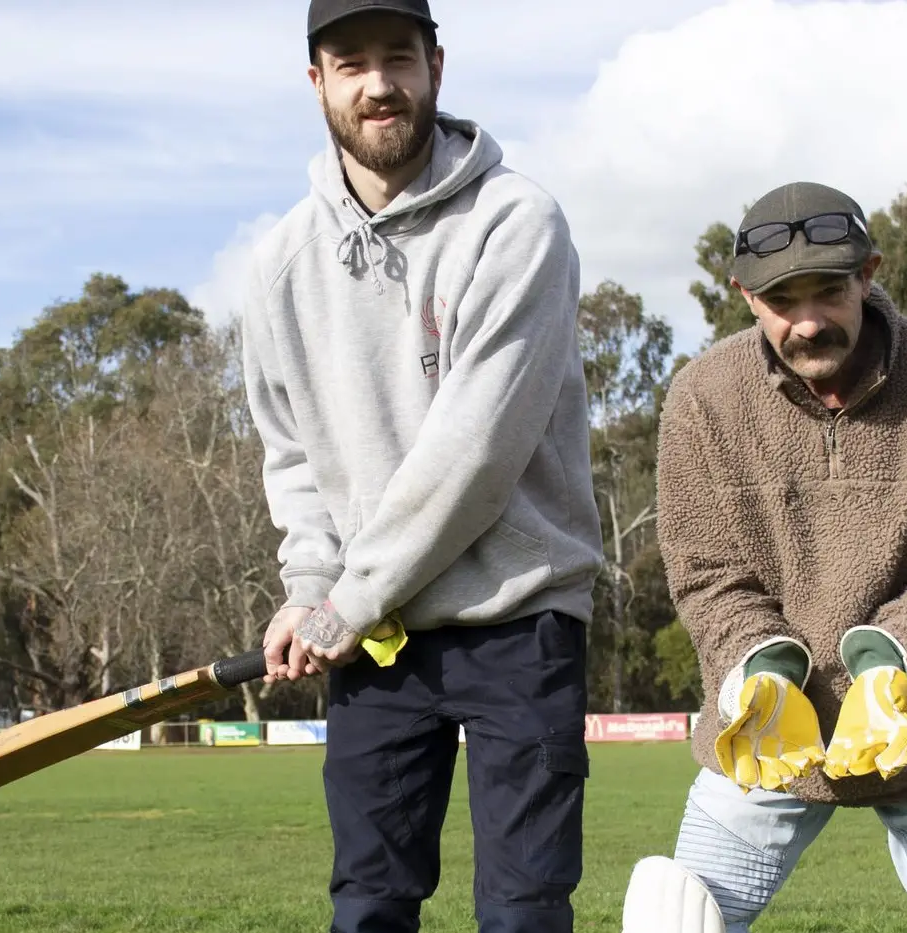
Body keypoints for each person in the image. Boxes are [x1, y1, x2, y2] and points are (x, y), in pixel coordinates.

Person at [239, 2, 604, 930]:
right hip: (379, 640)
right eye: (351, 63)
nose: (378, 85)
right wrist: (310, 583)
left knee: (523, 911)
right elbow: (293, 455)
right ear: (315, 81)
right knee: (368, 907)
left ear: (436, 65)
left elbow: (475, 453)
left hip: (518, 615)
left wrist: (344, 603)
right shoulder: (281, 261)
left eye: (398, 58)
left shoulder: (517, 222)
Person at [622, 182, 907, 933]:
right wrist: (760, 670)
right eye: (783, 299)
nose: (809, 320)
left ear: (869, 273)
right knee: (673, 913)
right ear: (745, 297)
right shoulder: (702, 398)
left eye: (829, 290)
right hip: (769, 732)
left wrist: (896, 664)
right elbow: (707, 574)